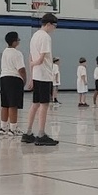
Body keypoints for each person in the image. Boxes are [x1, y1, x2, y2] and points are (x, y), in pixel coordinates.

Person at [22, 14, 59, 146]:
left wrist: (32, 74)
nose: (54, 29)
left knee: (35, 104)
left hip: (37, 75)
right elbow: (42, 58)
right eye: (54, 26)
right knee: (44, 105)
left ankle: (28, 132)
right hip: (44, 75)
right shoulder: (45, 37)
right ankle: (41, 134)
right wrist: (34, 64)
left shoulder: (34, 36)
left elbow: (30, 57)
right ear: (48, 24)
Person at [0, 31, 26, 136]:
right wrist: (24, 79)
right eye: (18, 39)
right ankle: (13, 128)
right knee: (13, 104)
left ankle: (3, 127)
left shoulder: (4, 51)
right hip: (14, 79)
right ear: (14, 42)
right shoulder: (17, 53)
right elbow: (21, 69)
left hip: (3, 78)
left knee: (4, 104)